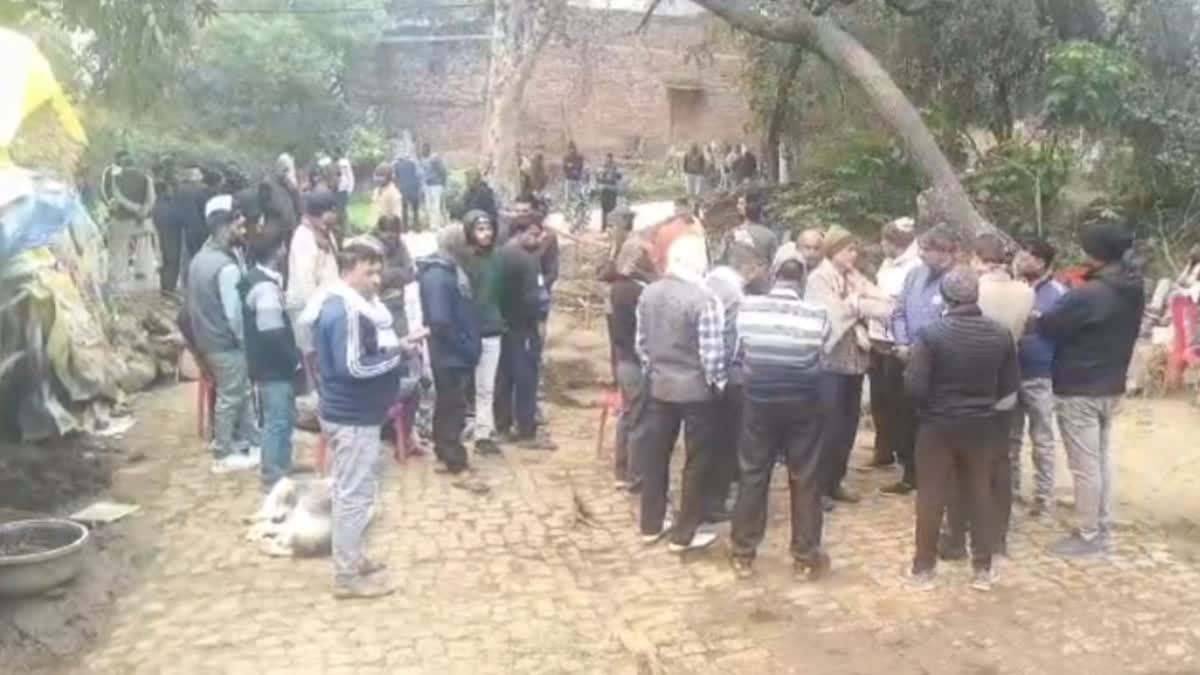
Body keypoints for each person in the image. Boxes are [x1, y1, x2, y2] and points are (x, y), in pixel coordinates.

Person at [906, 266, 1019, 592]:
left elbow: (915, 387)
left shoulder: (931, 334)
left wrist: (930, 408)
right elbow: (1009, 386)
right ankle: (983, 568)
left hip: (938, 425)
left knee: (931, 495)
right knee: (980, 492)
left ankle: (923, 569)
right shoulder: (1000, 333)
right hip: (982, 424)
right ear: (975, 296)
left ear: (945, 297)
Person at [1037, 222, 1143, 558]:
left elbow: (1050, 326)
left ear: (1094, 254)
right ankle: (1099, 521)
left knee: (1084, 464)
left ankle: (1088, 535)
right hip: (1111, 384)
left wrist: (1040, 314)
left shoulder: (1085, 294)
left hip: (1079, 386)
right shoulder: (1134, 285)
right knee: (1099, 459)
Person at [729, 247, 831, 579]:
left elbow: (738, 353)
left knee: (753, 474)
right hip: (802, 404)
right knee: (805, 477)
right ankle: (804, 556)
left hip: (758, 403)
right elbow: (821, 357)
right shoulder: (817, 315)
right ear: (802, 279)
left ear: (773, 275)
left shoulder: (748, 308)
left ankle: (743, 553)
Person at [314, 242, 406, 599]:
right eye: (369, 272)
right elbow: (352, 366)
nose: (377, 280)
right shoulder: (346, 313)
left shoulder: (340, 305)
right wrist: (396, 356)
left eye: (378, 271)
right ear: (348, 271)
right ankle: (347, 576)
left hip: (351, 413)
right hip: (352, 416)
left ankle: (352, 558)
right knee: (353, 496)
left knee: (352, 492)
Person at [634, 234, 725, 552]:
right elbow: (712, 356)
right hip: (697, 392)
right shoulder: (705, 300)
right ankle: (685, 533)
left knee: (655, 456)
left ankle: (651, 523)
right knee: (697, 461)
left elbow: (642, 344)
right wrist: (719, 385)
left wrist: (655, 371)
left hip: (660, 386)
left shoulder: (649, 294)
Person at [805, 226, 893, 510]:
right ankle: (816, 487)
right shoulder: (819, 279)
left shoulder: (853, 277)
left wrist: (855, 303)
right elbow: (832, 318)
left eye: (855, 250)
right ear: (833, 251)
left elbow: (886, 305)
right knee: (827, 426)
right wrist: (857, 305)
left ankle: (835, 480)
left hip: (855, 363)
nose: (853, 255)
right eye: (848, 250)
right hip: (829, 363)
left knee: (847, 425)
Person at [186, 191, 261, 474]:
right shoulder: (225, 267)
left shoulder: (201, 258)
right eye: (239, 225)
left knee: (239, 391)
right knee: (232, 396)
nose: (244, 229)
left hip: (208, 339)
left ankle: (252, 440)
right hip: (225, 342)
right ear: (224, 226)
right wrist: (247, 344)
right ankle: (223, 452)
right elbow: (235, 315)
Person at [892, 224, 960, 495]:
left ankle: (937, 478)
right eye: (921, 248)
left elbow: (952, 321)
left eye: (927, 250)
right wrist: (902, 342)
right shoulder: (914, 275)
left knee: (934, 424)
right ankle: (910, 475)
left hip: (941, 364)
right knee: (907, 420)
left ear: (946, 253)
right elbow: (898, 311)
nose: (921, 254)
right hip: (908, 358)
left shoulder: (957, 280)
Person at [703, 243, 768, 523]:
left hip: (704, 374)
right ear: (751, 268)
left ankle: (710, 496)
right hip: (728, 378)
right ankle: (716, 502)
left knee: (710, 441)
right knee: (727, 441)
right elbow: (730, 340)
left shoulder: (708, 282)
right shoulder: (734, 296)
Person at [417, 227, 482, 475]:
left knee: (448, 404)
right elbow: (440, 322)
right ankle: (453, 456)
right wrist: (466, 348)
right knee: (452, 407)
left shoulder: (449, 271)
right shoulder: (439, 277)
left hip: (453, 352)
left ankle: (445, 451)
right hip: (450, 355)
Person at [240, 230, 301, 490]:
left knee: (284, 415)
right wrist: (293, 359)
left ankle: (282, 464)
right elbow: (272, 332)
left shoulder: (254, 279)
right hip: (273, 367)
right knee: (277, 418)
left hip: (265, 364)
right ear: (277, 251)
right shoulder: (265, 288)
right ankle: (272, 474)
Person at [1012, 238, 1067, 517]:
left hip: (1040, 374)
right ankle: (1010, 492)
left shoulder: (1057, 293)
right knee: (1011, 437)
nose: (1021, 260)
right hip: (1011, 372)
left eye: (1028, 256)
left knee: (1042, 438)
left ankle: (1044, 497)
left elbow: (1063, 334)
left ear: (1042, 262)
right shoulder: (1015, 288)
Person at [867, 218, 921, 493]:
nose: (881, 245)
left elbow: (897, 306)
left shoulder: (914, 268)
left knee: (900, 405)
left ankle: (908, 464)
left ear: (894, 242)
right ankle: (884, 449)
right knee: (880, 400)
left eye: (884, 241)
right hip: (877, 338)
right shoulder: (886, 265)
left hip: (896, 342)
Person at [495, 218, 557, 449]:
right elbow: (536, 298)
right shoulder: (527, 260)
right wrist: (540, 322)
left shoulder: (498, 257)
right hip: (524, 328)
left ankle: (502, 426)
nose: (539, 239)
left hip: (502, 326)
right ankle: (527, 430)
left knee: (503, 378)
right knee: (526, 378)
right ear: (519, 233)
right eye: (533, 234)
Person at [609, 237, 656, 490]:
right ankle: (637, 475)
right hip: (636, 361)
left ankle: (621, 469)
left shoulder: (617, 287)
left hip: (623, 359)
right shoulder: (638, 291)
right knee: (640, 419)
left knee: (628, 416)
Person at [463, 210, 506, 456]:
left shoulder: (498, 259)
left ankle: (483, 433)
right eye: (480, 229)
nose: (486, 233)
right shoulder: (466, 262)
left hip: (492, 329)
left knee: (486, 385)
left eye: (488, 228)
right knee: (469, 386)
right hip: (469, 331)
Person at [287, 188, 340, 358]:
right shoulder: (303, 238)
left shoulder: (324, 232)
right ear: (322, 213)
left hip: (329, 307)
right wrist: (321, 315)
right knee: (316, 360)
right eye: (332, 211)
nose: (336, 216)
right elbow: (306, 285)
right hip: (312, 312)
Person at [101, 151, 158, 292]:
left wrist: (130, 208)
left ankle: (119, 277)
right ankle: (144, 273)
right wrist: (142, 210)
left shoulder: (116, 179)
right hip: (143, 220)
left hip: (122, 219)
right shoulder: (146, 178)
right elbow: (152, 198)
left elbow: (116, 196)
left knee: (119, 249)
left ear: (122, 164)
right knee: (144, 247)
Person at [154, 167, 208, 294]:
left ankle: (182, 284)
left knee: (182, 258)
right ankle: (195, 285)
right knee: (195, 256)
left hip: (179, 226)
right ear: (196, 175)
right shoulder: (203, 188)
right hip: (197, 227)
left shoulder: (179, 189)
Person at [714, 192, 779, 272]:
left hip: (736, 276)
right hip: (759, 278)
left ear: (747, 209)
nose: (738, 207)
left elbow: (721, 260)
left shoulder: (732, 233)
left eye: (741, 204)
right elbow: (774, 263)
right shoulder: (770, 235)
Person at [420, 142, 448, 230]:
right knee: (428, 206)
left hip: (436, 185)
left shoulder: (434, 158)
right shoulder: (423, 159)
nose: (422, 151)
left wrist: (442, 184)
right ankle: (433, 224)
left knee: (436, 206)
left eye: (424, 149)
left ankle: (436, 225)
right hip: (427, 186)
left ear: (428, 149)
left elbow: (443, 171)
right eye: (422, 149)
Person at [367, 162, 403, 228]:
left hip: (390, 227)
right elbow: (374, 208)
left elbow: (397, 215)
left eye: (381, 176)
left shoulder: (393, 192)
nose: (377, 178)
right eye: (376, 176)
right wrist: (370, 223)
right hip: (377, 226)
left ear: (389, 177)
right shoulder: (377, 191)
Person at [394, 152, 423, 231]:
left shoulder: (397, 165)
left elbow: (396, 178)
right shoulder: (413, 164)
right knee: (415, 210)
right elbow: (419, 175)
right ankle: (417, 227)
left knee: (404, 209)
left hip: (403, 189)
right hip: (413, 189)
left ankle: (405, 228)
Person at [597, 153, 622, 232]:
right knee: (605, 210)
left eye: (609, 159)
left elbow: (617, 177)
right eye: (607, 159)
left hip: (610, 190)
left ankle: (608, 226)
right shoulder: (604, 167)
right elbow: (599, 178)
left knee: (610, 209)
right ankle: (605, 227)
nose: (608, 160)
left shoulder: (613, 168)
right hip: (606, 190)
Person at [335, 147, 354, 227]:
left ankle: (346, 226)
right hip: (335, 189)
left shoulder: (344, 163)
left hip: (343, 189)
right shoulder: (331, 163)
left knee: (343, 209)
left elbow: (350, 176)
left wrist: (350, 189)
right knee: (337, 209)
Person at [563, 141, 585, 207]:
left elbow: (580, 166)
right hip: (569, 178)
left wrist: (574, 168)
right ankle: (567, 207)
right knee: (568, 195)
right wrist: (571, 169)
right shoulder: (566, 157)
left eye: (573, 148)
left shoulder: (579, 157)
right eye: (570, 148)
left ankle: (581, 206)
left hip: (576, 178)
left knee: (579, 194)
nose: (571, 150)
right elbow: (565, 167)